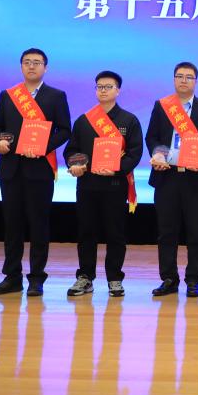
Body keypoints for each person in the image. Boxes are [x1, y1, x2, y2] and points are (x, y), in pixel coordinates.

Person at [0, 48, 72, 297]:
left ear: (45, 67)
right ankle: (11, 277)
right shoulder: (8, 95)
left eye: (36, 62)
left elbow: (64, 130)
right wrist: (0, 141)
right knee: (12, 225)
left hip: (40, 169)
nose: (31, 66)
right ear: (21, 66)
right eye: (27, 62)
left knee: (38, 225)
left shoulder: (56, 96)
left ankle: (36, 278)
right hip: (11, 168)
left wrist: (43, 147)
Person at [63, 71, 143, 298]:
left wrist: (117, 168)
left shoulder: (129, 120)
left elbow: (135, 152)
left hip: (115, 186)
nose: (103, 90)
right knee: (86, 232)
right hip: (87, 185)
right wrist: (75, 164)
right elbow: (71, 150)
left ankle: (114, 278)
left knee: (115, 234)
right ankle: (85, 277)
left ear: (118, 90)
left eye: (108, 86)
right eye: (99, 86)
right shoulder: (84, 120)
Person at [145, 62, 198, 298]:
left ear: (196, 81)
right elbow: (152, 137)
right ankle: (169, 278)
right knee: (167, 232)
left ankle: (193, 279)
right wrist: (158, 154)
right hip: (166, 176)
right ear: (174, 79)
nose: (184, 80)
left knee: (197, 232)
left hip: (195, 178)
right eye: (180, 76)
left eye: (189, 77)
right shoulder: (162, 106)